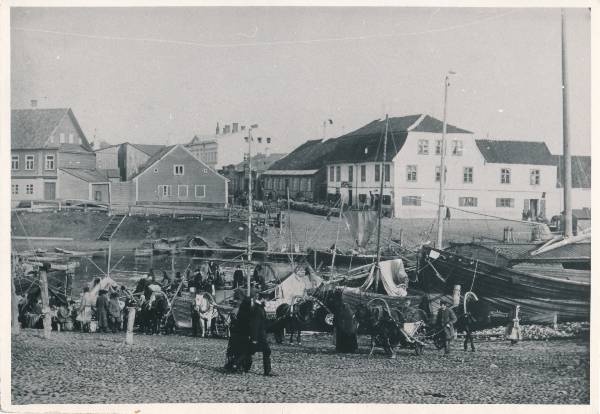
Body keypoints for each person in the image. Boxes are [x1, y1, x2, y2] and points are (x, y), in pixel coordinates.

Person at [224, 297, 253, 373]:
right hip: (245, 335)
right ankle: (237, 365)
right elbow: (249, 325)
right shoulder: (249, 313)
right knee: (245, 352)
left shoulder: (239, 312)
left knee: (236, 351)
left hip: (235, 334)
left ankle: (233, 364)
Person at [249, 293, 274, 376]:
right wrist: (254, 339)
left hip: (261, 334)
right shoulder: (258, 309)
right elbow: (255, 325)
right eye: (266, 299)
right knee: (267, 351)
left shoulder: (259, 308)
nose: (267, 301)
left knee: (250, 351)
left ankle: (240, 364)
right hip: (259, 335)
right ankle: (267, 371)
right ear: (262, 299)